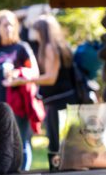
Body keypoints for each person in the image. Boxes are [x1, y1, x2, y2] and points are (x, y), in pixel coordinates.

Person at [0, 10, 41, 170]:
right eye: (5, 25)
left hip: (18, 104)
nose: (9, 29)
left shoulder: (21, 48)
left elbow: (35, 72)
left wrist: (18, 76)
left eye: (12, 25)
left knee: (21, 141)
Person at [32, 15, 79, 155]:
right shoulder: (61, 45)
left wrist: (26, 80)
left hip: (58, 102)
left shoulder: (49, 48)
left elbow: (51, 78)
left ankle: (58, 173)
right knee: (68, 143)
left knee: (57, 145)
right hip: (67, 99)